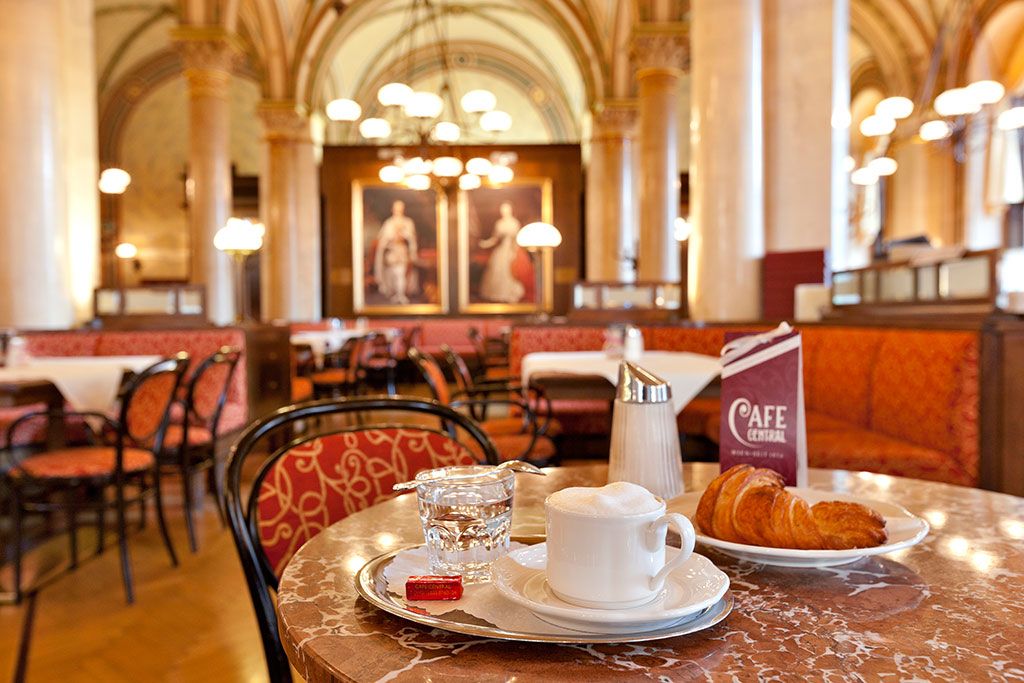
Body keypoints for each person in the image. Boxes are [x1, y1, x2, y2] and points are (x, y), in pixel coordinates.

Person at [479, 201, 525, 303]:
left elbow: (516, 240)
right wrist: (484, 244)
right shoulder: (499, 223)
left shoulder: (514, 223)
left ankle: (508, 294)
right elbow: (494, 239)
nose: (504, 211)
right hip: (500, 251)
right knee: (497, 270)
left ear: (510, 210)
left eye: (506, 209)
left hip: (510, 251)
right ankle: (497, 295)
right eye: (502, 209)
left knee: (509, 272)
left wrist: (515, 253)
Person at [373, 200, 418, 304]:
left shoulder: (408, 222)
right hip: (391, 254)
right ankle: (394, 294)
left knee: (401, 274)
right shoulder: (388, 223)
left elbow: (412, 239)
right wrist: (391, 239)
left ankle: (401, 295)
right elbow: (383, 239)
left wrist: (404, 237)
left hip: (402, 253)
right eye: (396, 208)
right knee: (392, 275)